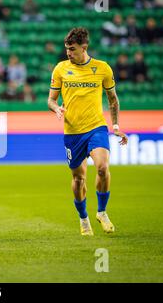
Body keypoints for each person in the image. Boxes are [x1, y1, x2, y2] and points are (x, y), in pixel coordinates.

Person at [47, 27, 128, 236]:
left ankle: (101, 212)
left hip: (96, 127)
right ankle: (83, 218)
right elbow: (51, 100)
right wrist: (57, 109)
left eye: (72, 49)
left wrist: (116, 126)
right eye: (67, 49)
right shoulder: (60, 69)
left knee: (102, 167)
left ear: (84, 47)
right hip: (72, 132)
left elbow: (113, 100)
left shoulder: (102, 68)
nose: (68, 53)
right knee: (79, 178)